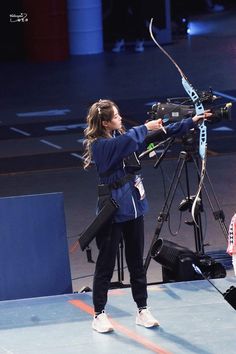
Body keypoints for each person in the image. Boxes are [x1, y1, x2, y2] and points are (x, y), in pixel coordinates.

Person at [83, 99, 212, 333]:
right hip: (112, 211)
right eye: (116, 115)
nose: (120, 117)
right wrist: (146, 127)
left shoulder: (120, 139)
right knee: (105, 264)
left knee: (136, 263)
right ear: (104, 122)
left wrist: (190, 122)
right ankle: (99, 314)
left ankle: (142, 309)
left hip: (133, 209)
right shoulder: (100, 145)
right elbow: (130, 139)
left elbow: (157, 135)